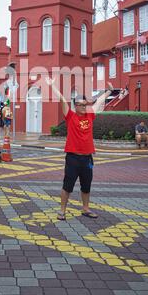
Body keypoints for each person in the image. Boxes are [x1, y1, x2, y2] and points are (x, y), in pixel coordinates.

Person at [46, 77, 114, 221]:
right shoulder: (70, 116)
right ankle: (62, 211)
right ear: (75, 106)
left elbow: (100, 101)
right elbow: (62, 100)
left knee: (86, 185)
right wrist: (52, 86)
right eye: (81, 105)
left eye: (85, 104)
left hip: (87, 158)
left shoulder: (90, 115)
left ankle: (86, 208)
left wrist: (109, 92)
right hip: (73, 158)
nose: (84, 107)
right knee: (68, 185)